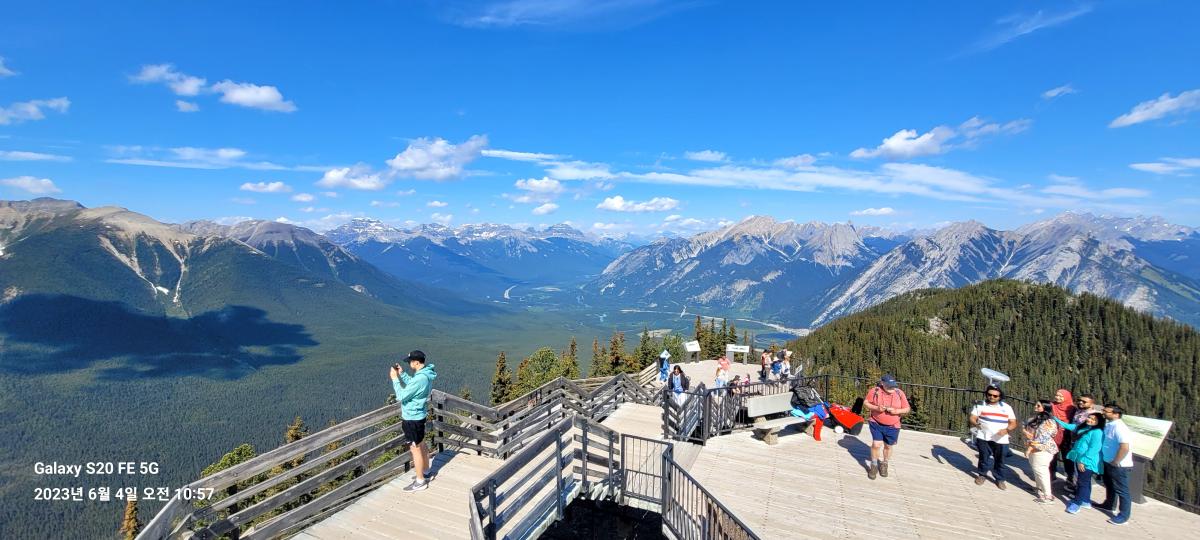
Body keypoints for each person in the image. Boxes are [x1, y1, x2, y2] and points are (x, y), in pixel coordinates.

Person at [390, 350, 438, 492]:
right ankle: (426, 472)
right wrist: (402, 374)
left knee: (415, 448)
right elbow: (414, 385)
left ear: (417, 362)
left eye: (410, 361)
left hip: (412, 418)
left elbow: (401, 396)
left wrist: (394, 378)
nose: (409, 363)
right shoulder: (425, 375)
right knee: (421, 443)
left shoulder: (420, 378)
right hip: (419, 416)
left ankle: (420, 481)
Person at [1054, 411, 1106, 514]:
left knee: (1081, 482)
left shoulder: (1097, 432)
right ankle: (1085, 501)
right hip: (1081, 458)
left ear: (1099, 422)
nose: (1089, 420)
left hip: (1087, 461)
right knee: (1085, 481)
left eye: (1093, 419)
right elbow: (1069, 426)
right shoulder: (1085, 428)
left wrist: (1083, 461)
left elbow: (1094, 448)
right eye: (1089, 417)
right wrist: (1055, 418)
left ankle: (1076, 504)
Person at [970, 385, 1018, 489]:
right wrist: (976, 424)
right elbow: (973, 418)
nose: (992, 397)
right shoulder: (980, 405)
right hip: (983, 436)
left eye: (995, 396)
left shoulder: (1006, 407)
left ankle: (999, 479)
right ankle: (982, 475)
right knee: (983, 457)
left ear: (1000, 397)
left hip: (1001, 439)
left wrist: (1006, 430)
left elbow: (1013, 423)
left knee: (1000, 460)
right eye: (989, 395)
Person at [862, 374, 910, 480]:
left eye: (893, 385)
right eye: (889, 386)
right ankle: (874, 465)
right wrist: (876, 408)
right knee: (876, 444)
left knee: (888, 446)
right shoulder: (875, 391)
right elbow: (866, 403)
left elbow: (907, 409)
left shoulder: (899, 393)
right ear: (882, 383)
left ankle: (884, 463)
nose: (892, 388)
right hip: (876, 423)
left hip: (893, 426)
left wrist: (897, 411)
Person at [1099, 404, 1133, 525]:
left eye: (1106, 411)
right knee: (1110, 484)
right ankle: (1109, 504)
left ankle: (1124, 516)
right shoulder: (1110, 424)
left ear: (1116, 414)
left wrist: (1116, 461)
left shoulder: (1120, 428)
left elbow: (1124, 447)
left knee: (1122, 490)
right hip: (1109, 461)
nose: (1103, 413)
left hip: (1119, 465)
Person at [1022, 400, 1059, 502]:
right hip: (1035, 448)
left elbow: (1043, 438)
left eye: (1038, 405)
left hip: (1043, 449)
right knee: (1036, 469)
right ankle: (1039, 489)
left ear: (1045, 408)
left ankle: (1048, 495)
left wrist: (1030, 449)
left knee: (1041, 471)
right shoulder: (1038, 418)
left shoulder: (1049, 422)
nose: (1036, 406)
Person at [1050, 389, 1077, 486]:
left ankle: (1070, 477)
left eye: (1061, 396)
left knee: (1067, 457)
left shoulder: (1072, 409)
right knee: (1052, 455)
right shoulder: (1052, 405)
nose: (1058, 398)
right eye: (1057, 395)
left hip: (1067, 435)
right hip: (1052, 434)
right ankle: (1051, 474)